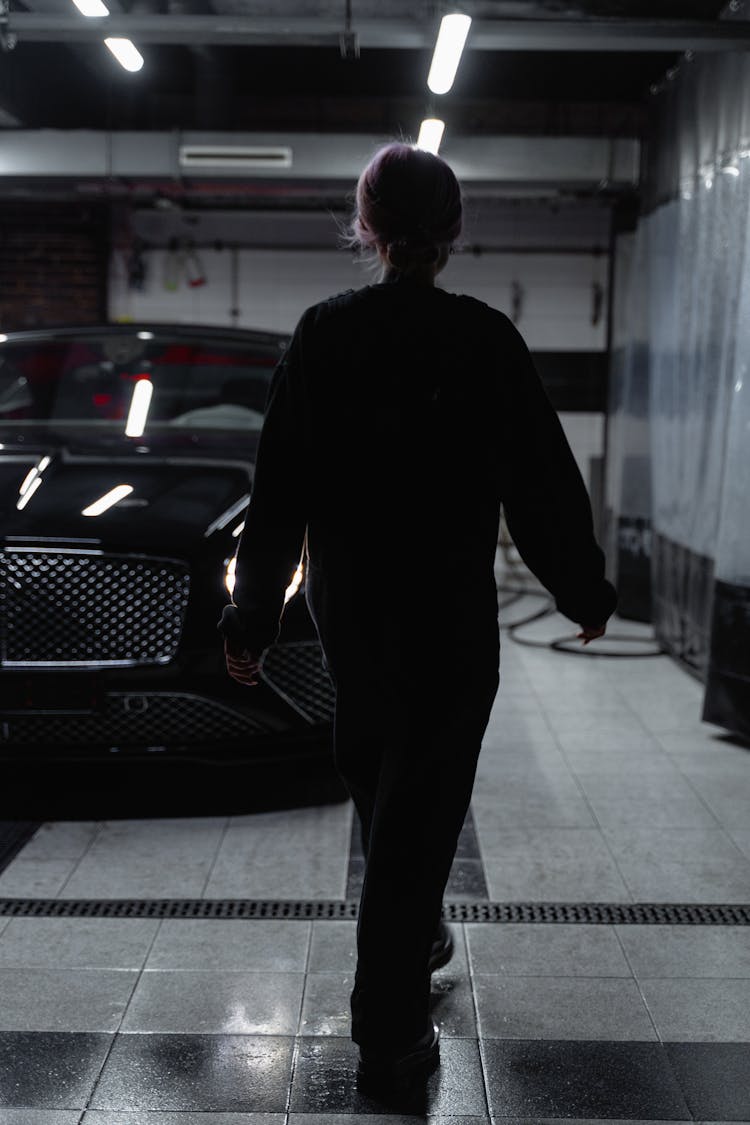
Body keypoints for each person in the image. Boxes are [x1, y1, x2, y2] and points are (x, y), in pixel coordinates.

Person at [218, 140, 617, 1098]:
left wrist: (252, 619)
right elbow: (541, 477)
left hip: (353, 612)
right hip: (446, 615)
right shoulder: (481, 339)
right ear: (454, 235)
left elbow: (278, 490)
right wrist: (582, 587)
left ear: (367, 227)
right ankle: (389, 1034)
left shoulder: (323, 335)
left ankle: (419, 931)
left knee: (383, 782)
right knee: (418, 805)